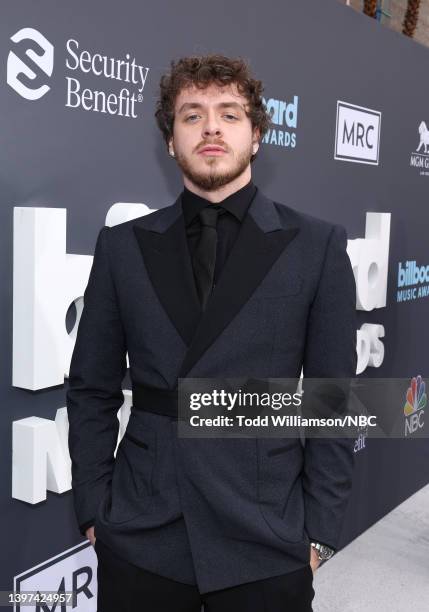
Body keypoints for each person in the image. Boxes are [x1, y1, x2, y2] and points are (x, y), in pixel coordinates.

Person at [66, 54, 357, 612]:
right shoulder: (123, 247)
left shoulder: (315, 245)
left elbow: (331, 398)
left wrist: (317, 533)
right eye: (192, 115)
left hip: (267, 530)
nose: (212, 128)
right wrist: (95, 511)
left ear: (255, 137)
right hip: (144, 526)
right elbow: (91, 388)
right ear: (171, 141)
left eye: (229, 113)